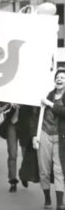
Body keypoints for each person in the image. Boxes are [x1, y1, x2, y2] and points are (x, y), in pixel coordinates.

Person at [36, 68, 65, 210]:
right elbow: (37, 115)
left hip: (61, 138)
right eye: (58, 77)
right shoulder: (47, 95)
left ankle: (60, 203)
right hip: (45, 134)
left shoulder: (49, 100)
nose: (59, 79)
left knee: (59, 170)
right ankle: (47, 198)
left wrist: (49, 103)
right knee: (44, 170)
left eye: (63, 78)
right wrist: (35, 135)